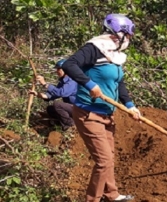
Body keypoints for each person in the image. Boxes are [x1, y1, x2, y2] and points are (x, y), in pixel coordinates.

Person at [62, 14, 140, 202]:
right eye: (128, 35)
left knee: (109, 158)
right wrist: (90, 84)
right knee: (103, 161)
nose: (129, 39)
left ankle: (111, 195)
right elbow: (69, 65)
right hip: (89, 114)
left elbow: (119, 83)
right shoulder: (95, 48)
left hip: (107, 114)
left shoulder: (113, 53)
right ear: (118, 33)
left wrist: (130, 106)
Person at [29, 59, 77, 131]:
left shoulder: (72, 81)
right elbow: (52, 95)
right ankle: (60, 123)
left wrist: (45, 84)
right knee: (50, 109)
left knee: (57, 104)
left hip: (78, 109)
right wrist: (37, 94)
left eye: (59, 69)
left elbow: (60, 93)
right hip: (72, 109)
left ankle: (70, 124)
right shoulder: (62, 82)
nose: (57, 71)